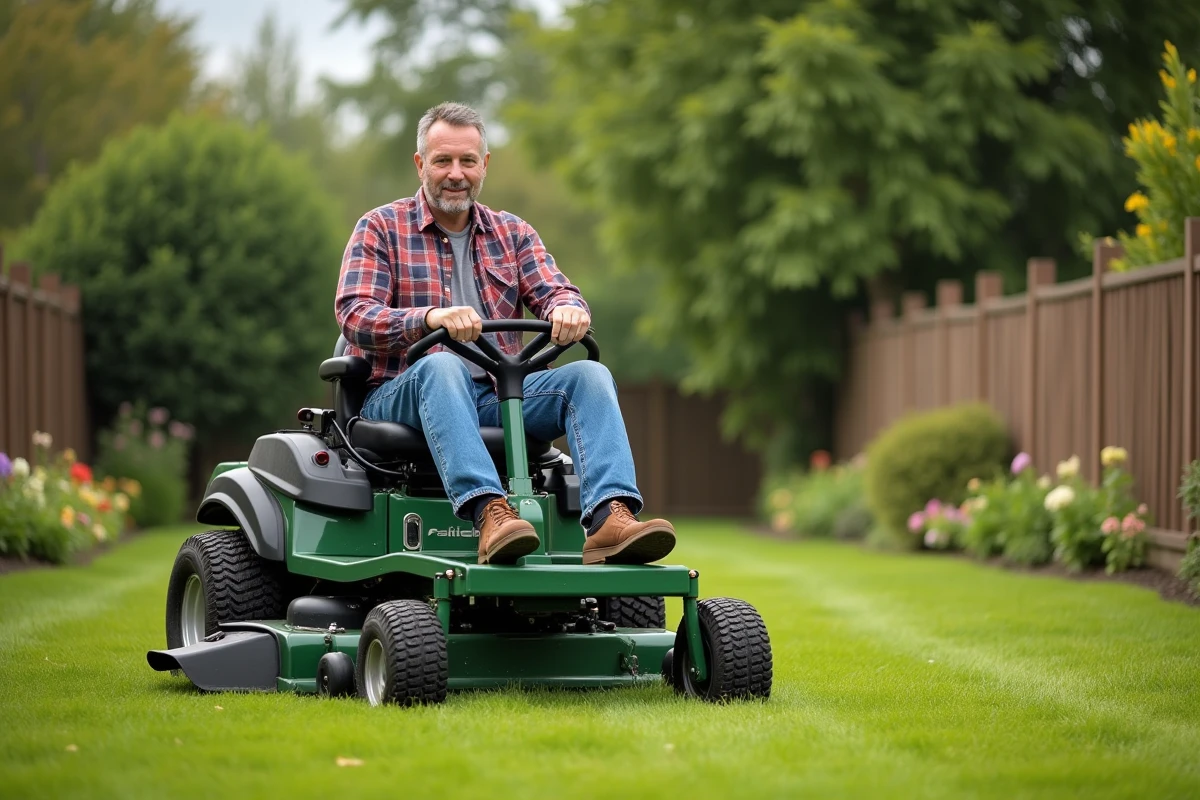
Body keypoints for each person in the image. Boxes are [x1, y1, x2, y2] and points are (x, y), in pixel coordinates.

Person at [334, 101, 676, 566]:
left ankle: (609, 520)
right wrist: (430, 318)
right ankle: (490, 513)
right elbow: (354, 314)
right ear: (420, 164)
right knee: (442, 363)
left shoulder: (512, 233)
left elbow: (558, 290)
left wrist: (569, 310)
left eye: (467, 161)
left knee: (590, 377)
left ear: (484, 165)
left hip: (499, 394)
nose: (456, 173)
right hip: (400, 392)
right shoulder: (380, 228)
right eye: (443, 161)